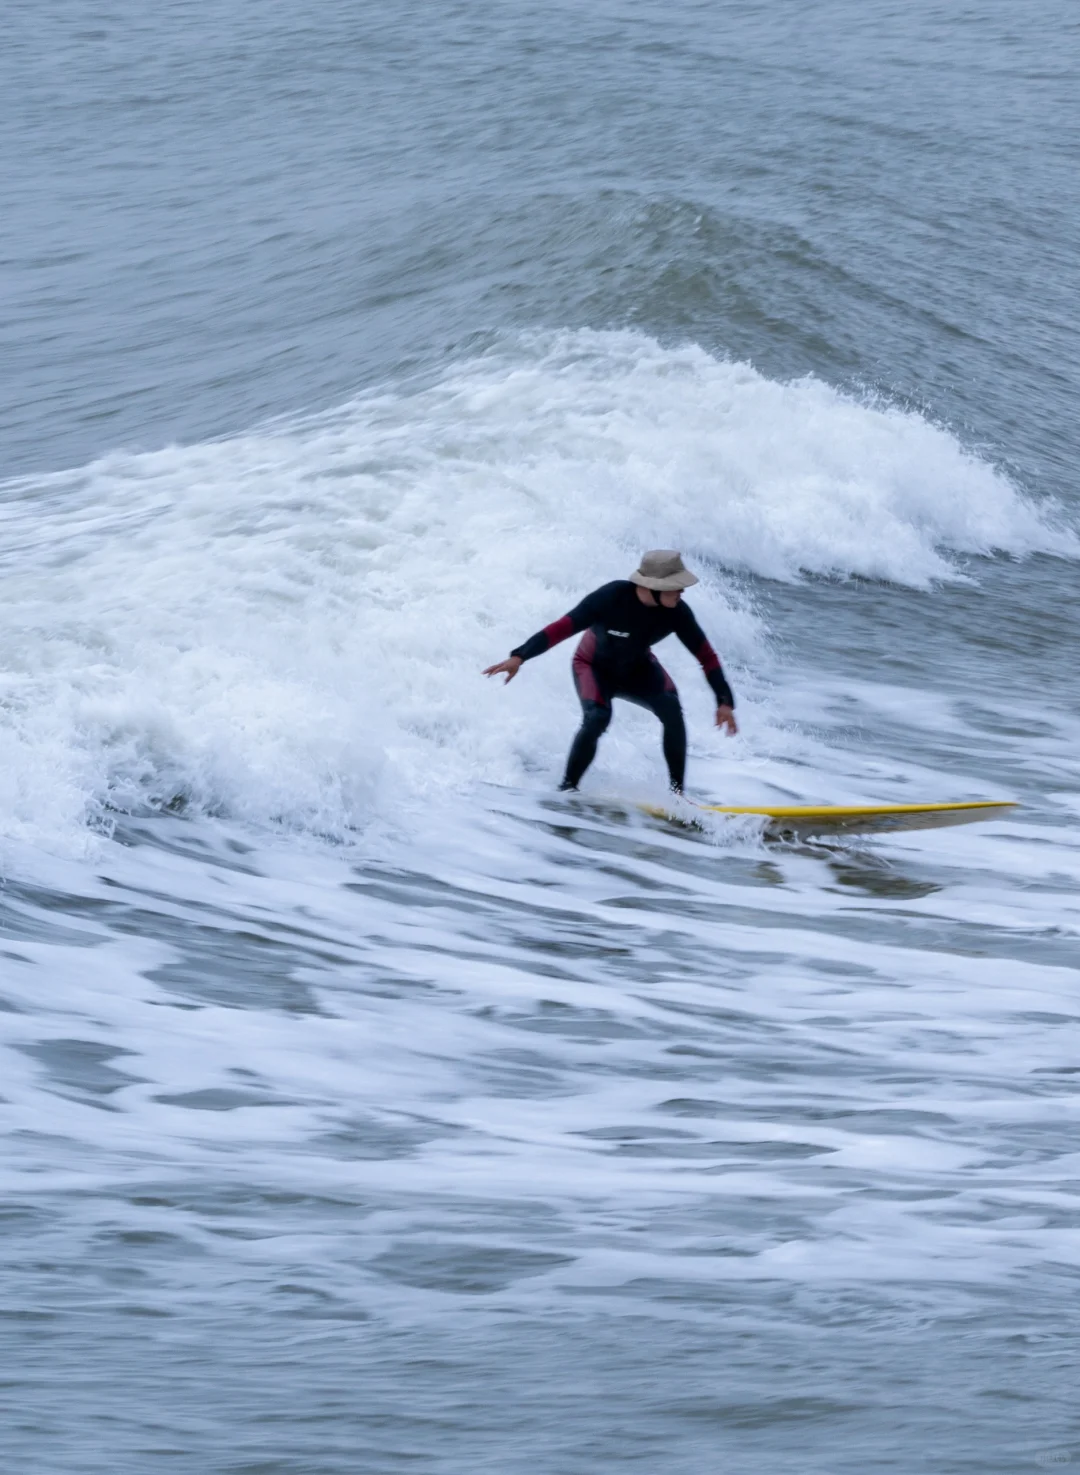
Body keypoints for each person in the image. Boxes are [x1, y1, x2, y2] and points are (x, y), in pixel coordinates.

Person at [484, 550, 737, 793]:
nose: (682, 590)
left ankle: (678, 797)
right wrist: (520, 655)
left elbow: (706, 656)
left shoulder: (678, 613)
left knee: (672, 710)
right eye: (676, 585)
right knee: (597, 718)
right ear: (653, 586)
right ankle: (567, 790)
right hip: (592, 667)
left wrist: (724, 701)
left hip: (637, 668)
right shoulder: (612, 597)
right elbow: (563, 628)